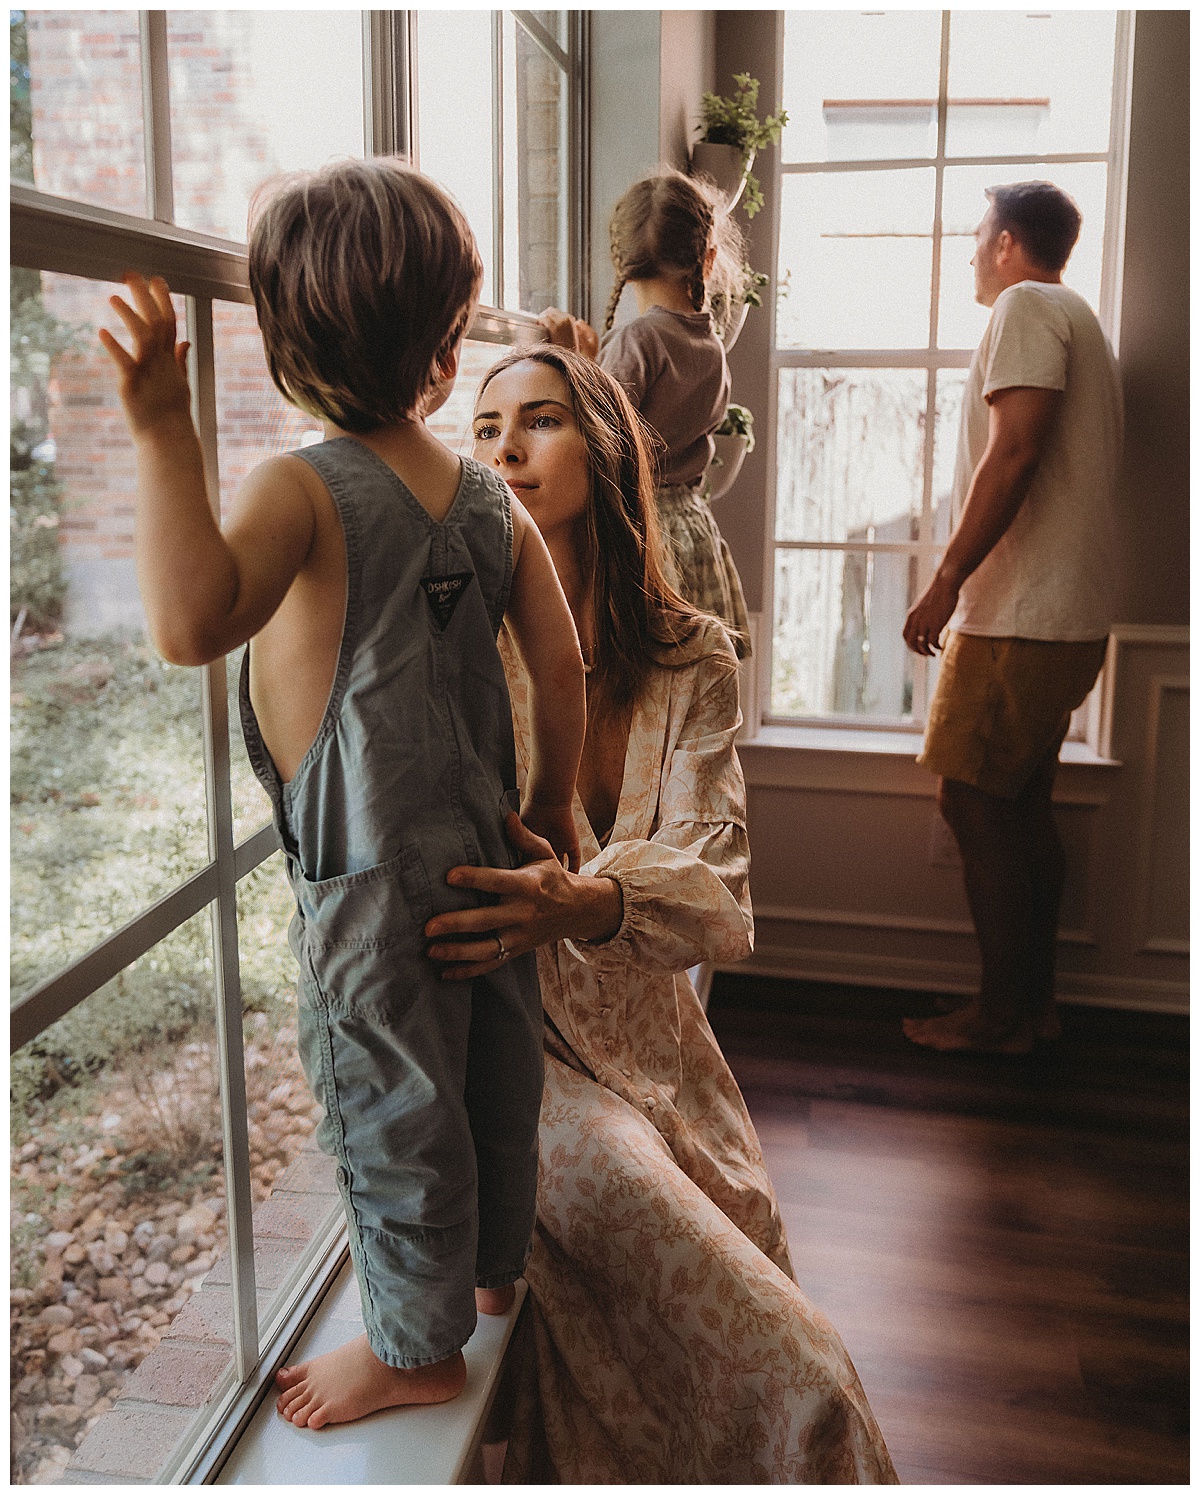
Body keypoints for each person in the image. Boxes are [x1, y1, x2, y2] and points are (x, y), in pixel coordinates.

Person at [98, 158, 587, 1427]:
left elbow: (190, 618)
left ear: (284, 341)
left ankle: (416, 1348)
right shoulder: (487, 496)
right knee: (492, 1076)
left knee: (389, 1108)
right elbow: (561, 661)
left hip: (368, 883)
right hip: (486, 855)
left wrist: (161, 428)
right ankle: (489, 1278)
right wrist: (555, 805)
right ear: (442, 350)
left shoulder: (301, 490)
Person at [421, 343, 897, 1481]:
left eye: (538, 422)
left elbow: (718, 898)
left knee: (749, 1279)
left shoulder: (695, 660)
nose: (506, 450)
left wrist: (581, 899)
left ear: (607, 444)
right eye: (484, 431)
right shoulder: (455, 659)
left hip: (669, 1061)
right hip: (520, 1071)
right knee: (811, 1370)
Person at [902, 181, 1123, 1055]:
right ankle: (1034, 1010)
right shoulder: (1079, 315)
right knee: (1023, 807)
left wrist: (947, 576)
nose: (969, 253)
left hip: (1021, 614)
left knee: (973, 801)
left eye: (976, 235)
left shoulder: (1029, 305)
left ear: (1006, 244)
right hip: (1065, 615)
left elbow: (1018, 448)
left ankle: (1000, 1015)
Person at [542, 168, 753, 658]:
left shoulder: (639, 341)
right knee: (687, 687)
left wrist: (573, 366)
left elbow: (600, 442)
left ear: (623, 260)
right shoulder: (711, 345)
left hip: (645, 536)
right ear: (709, 257)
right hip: (692, 528)